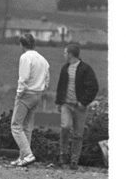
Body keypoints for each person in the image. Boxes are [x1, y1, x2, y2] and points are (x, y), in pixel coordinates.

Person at [55, 43, 99, 170]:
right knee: (65, 126)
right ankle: (63, 155)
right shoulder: (65, 68)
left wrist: (83, 102)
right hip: (66, 105)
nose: (63, 55)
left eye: (65, 53)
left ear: (70, 54)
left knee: (78, 135)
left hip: (80, 107)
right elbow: (60, 86)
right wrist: (59, 102)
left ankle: (74, 161)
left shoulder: (86, 69)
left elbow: (93, 87)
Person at [10, 33, 50, 167]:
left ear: (22, 44)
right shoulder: (43, 59)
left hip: (26, 94)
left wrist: (19, 94)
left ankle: (27, 154)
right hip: (38, 94)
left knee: (16, 126)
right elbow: (47, 80)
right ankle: (23, 157)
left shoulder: (25, 57)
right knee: (27, 127)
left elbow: (23, 78)